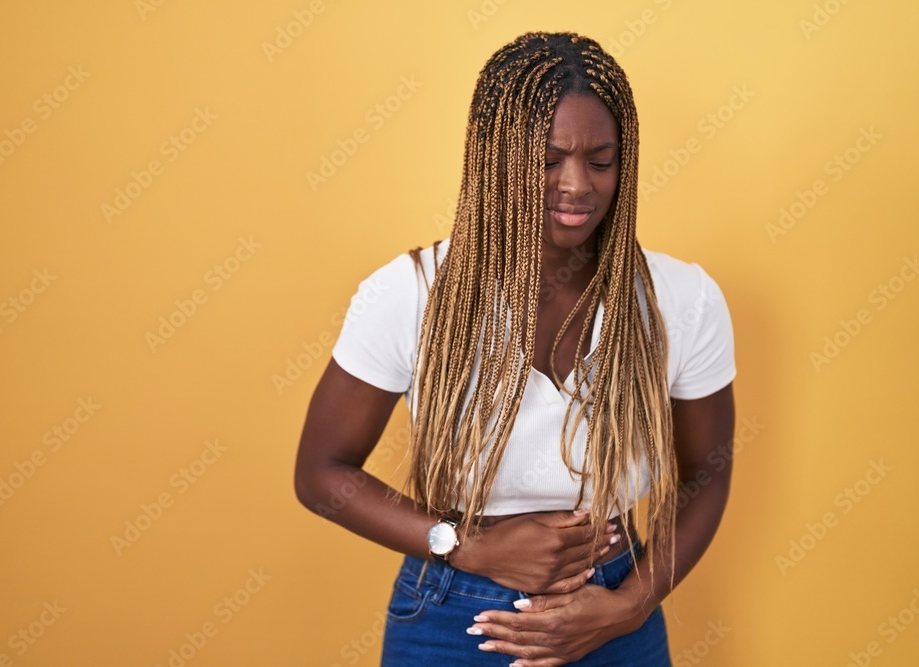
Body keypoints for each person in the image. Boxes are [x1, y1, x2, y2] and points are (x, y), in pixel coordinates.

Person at [294, 31, 736, 666]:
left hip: (614, 607)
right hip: (453, 610)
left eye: (601, 160)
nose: (577, 184)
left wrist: (629, 606)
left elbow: (707, 469)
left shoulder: (681, 298)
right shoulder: (411, 293)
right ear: (495, 158)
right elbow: (320, 473)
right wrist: (465, 546)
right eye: (548, 159)